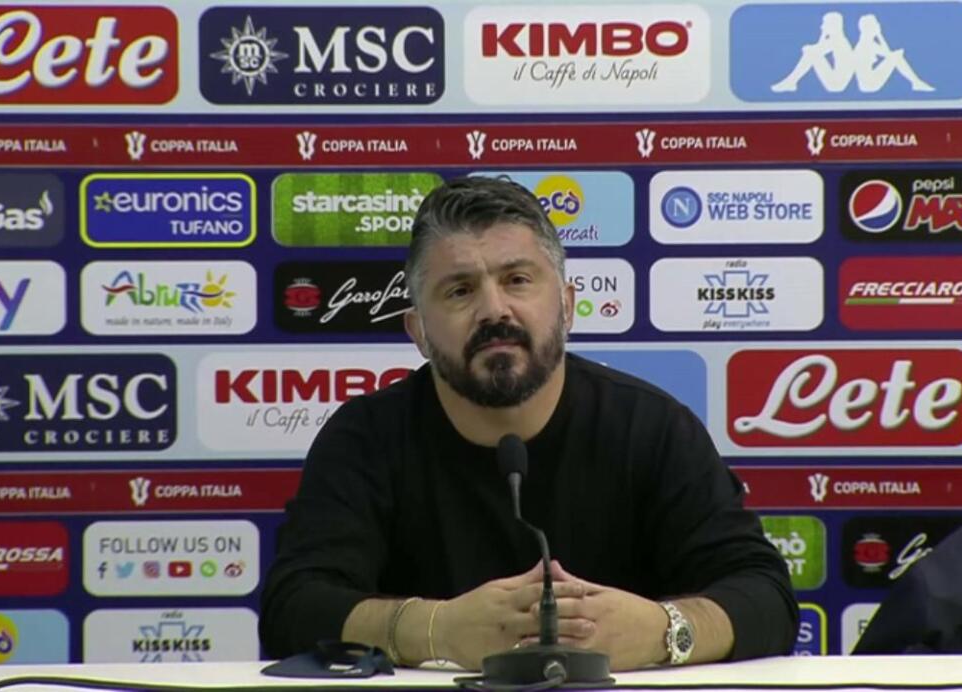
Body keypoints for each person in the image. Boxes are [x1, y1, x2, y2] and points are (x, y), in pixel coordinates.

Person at [259, 177, 799, 671]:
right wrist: (435, 628)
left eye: (517, 280)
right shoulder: (365, 438)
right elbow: (293, 610)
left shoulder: (652, 427)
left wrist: (665, 630)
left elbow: (766, 596)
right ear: (418, 331)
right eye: (460, 290)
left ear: (567, 305)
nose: (494, 310)